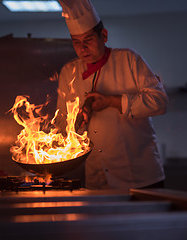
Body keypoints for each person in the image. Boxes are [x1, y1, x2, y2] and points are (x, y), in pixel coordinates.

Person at [56, 0, 168, 190]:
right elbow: (62, 122)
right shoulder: (69, 71)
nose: (83, 49)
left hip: (140, 175)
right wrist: (77, 121)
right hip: (97, 177)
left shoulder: (128, 59)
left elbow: (160, 102)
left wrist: (111, 101)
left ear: (104, 36)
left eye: (88, 40)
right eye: (76, 43)